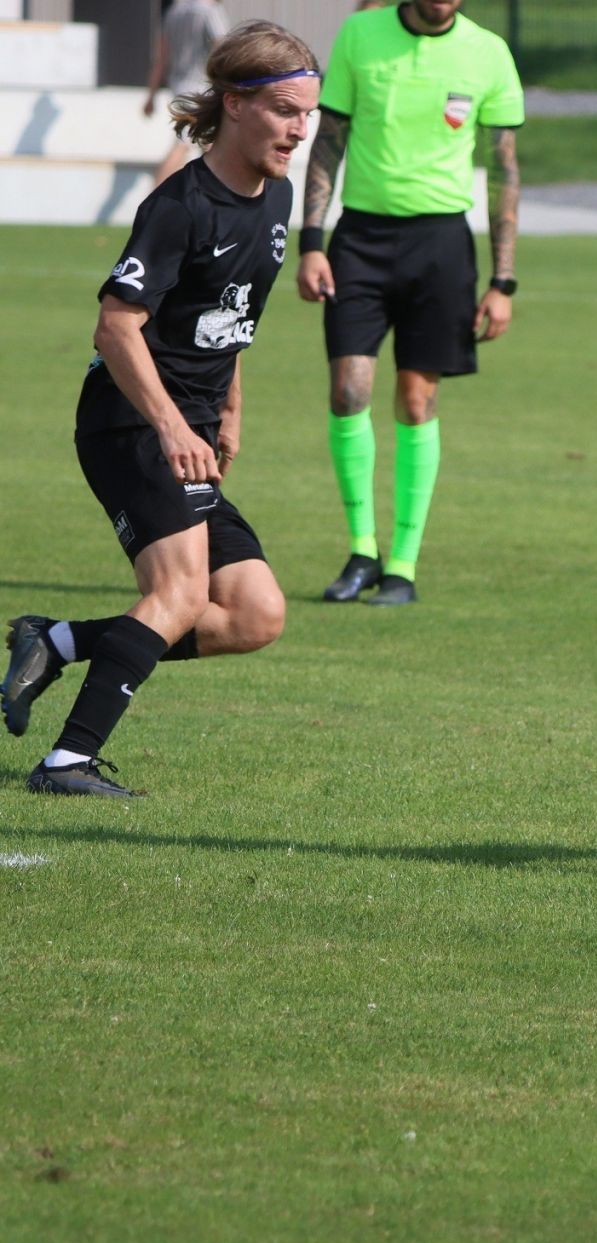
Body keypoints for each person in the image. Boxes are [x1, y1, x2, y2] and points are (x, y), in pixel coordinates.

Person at [1, 24, 319, 797]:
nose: (299, 129)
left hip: (193, 429)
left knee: (254, 614)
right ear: (235, 104)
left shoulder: (276, 197)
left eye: (307, 113)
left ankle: (55, 641)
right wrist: (174, 426)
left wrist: (228, 409)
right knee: (179, 594)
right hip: (131, 422)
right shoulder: (180, 205)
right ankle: (67, 763)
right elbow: (116, 327)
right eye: (284, 111)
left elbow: (229, 318)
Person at [296, 0, 523, 607]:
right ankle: (361, 551)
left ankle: (402, 564)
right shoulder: (359, 34)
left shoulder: (489, 53)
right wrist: (311, 242)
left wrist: (503, 281)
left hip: (442, 244)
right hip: (360, 240)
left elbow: (504, 171)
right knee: (348, 392)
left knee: (417, 400)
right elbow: (328, 143)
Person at [143, 0, 231, 188]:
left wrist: (151, 97)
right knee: (184, 143)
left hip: (179, 87)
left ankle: (208, 195)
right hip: (201, 89)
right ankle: (155, 197)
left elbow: (161, 58)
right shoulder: (209, 11)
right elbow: (223, 50)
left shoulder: (173, 11)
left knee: (208, 145)